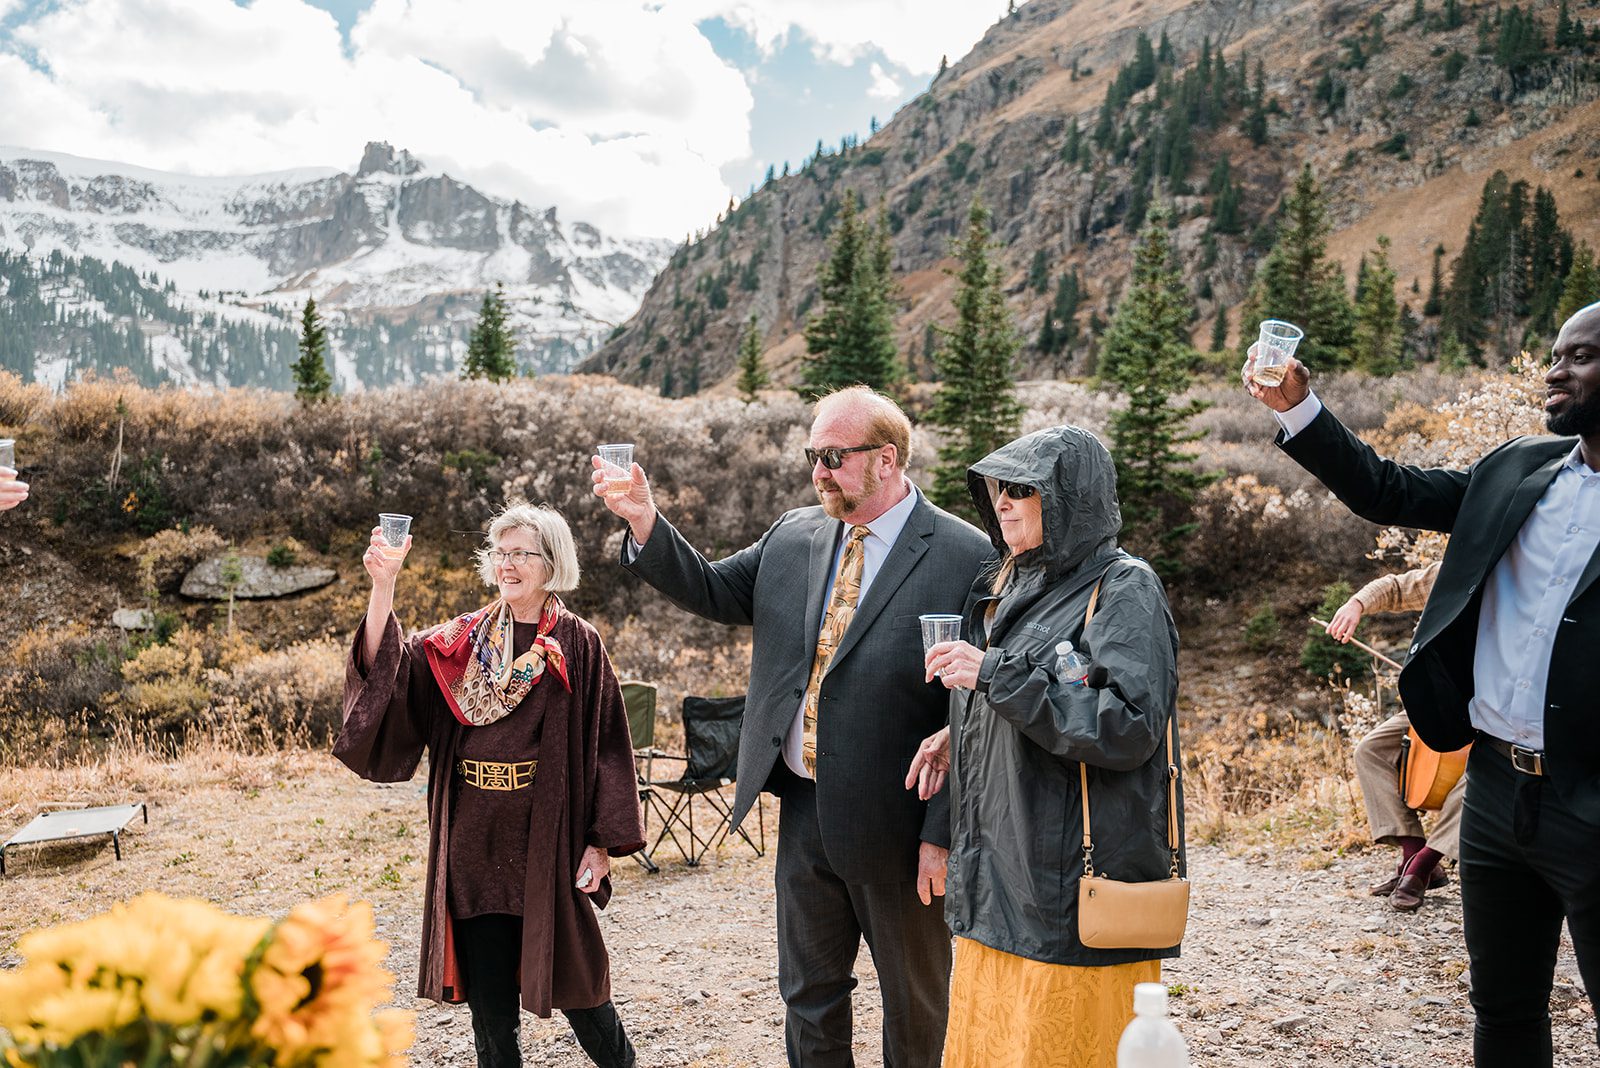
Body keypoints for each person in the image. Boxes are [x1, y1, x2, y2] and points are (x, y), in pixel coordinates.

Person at [1244, 303, 1600, 1066]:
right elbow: (1388, 491)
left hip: (1592, 800)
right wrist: (1299, 406)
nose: (1554, 371)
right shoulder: (1516, 469)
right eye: (1554, 353)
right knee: (1502, 1010)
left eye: (1579, 357)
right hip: (1497, 794)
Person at [598, 385, 990, 1067]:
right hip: (805, 809)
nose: (818, 471)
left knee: (916, 1004)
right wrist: (646, 523)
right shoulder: (796, 533)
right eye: (814, 455)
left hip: (903, 820)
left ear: (887, 459)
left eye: (833, 456)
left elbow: (974, 713)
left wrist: (942, 834)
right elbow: (716, 590)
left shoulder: (965, 554)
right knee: (809, 993)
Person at [903, 425, 1184, 1068]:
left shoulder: (1124, 588)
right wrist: (966, 727)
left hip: (1069, 897)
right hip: (1000, 881)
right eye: (999, 489)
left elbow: (1127, 727)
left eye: (1022, 489)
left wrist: (994, 677)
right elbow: (1043, 701)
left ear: (1068, 499)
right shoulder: (1014, 585)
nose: (1002, 503)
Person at [334, 502, 644, 1068]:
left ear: (550, 563)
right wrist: (384, 586)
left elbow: (607, 749)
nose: (507, 564)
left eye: (521, 553)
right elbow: (391, 676)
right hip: (474, 843)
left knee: (581, 987)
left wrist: (601, 844)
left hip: (546, 838)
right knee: (491, 1009)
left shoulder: (578, 644)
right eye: (500, 553)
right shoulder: (463, 641)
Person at [1325, 562, 1463, 911]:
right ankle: (1411, 848)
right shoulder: (1453, 571)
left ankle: (1424, 864)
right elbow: (1395, 587)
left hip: (1488, 712)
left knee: (1483, 777)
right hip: (1438, 702)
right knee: (1370, 750)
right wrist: (1356, 604)